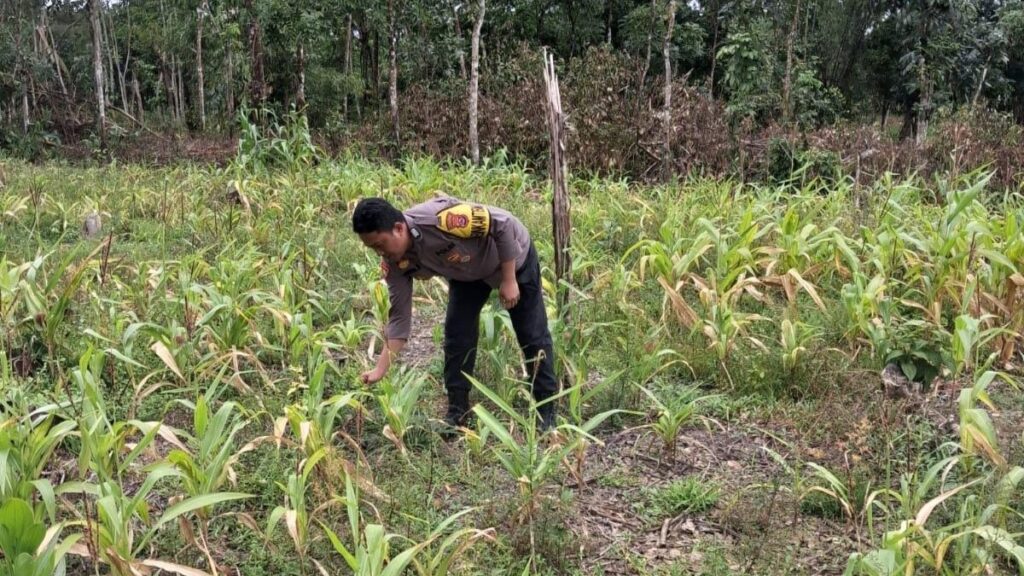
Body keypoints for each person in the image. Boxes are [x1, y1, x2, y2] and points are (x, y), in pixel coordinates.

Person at [352, 196, 558, 431]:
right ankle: (458, 410)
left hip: (511, 259)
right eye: (372, 248)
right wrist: (380, 369)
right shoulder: (395, 263)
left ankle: (546, 407)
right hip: (466, 273)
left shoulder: (440, 220)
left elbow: (504, 223)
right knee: (457, 336)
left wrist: (509, 279)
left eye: (380, 244)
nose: (379, 253)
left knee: (532, 333)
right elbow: (399, 318)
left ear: (399, 228)